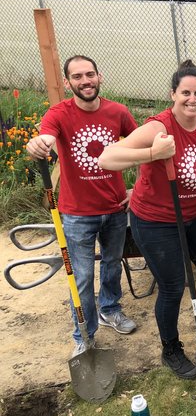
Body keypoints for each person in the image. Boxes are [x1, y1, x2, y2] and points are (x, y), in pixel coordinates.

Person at [98, 60, 196, 379]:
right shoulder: (158, 127)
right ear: (173, 94)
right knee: (172, 286)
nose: (192, 99)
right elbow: (107, 158)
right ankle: (171, 348)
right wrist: (152, 154)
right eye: (185, 92)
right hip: (156, 220)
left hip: (195, 213)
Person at [26, 55, 138, 358]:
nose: (85, 81)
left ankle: (110, 309)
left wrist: (137, 188)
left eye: (89, 74)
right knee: (83, 276)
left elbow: (143, 144)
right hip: (77, 213)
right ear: (67, 82)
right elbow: (45, 137)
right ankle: (84, 334)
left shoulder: (118, 112)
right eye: (77, 77)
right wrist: (36, 145)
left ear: (99, 76)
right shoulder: (59, 113)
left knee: (113, 263)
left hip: (115, 207)